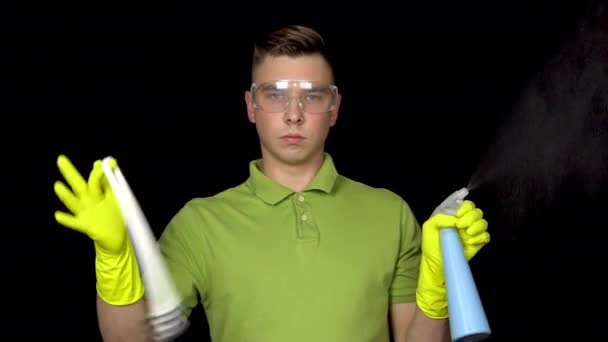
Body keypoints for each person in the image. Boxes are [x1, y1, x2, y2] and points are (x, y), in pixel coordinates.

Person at [53, 25, 490, 342]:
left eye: (312, 95)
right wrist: (113, 259)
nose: (294, 113)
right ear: (251, 106)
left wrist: (437, 286)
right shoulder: (200, 222)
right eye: (275, 94)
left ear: (334, 108)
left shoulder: (389, 213)